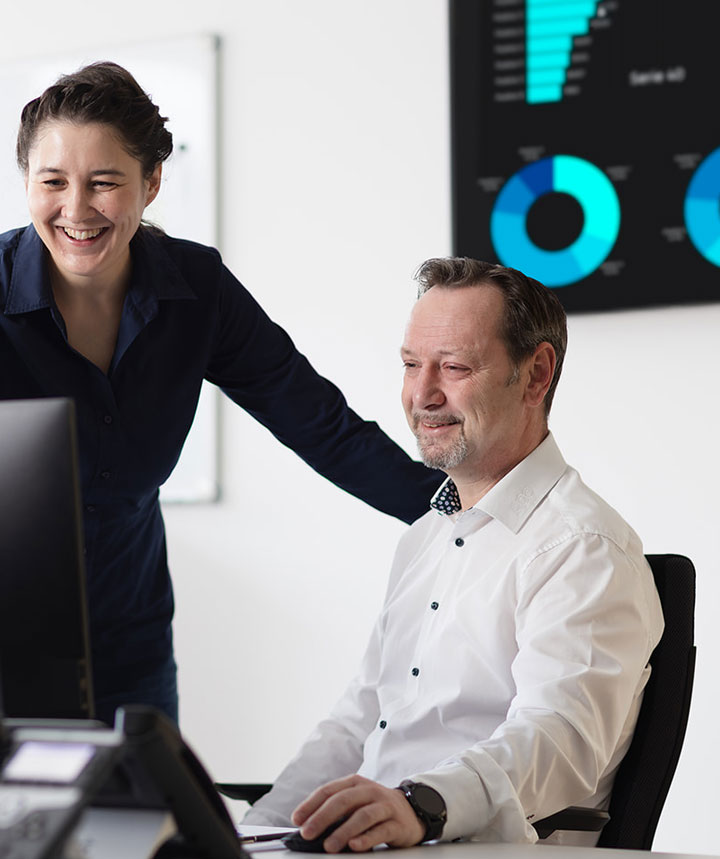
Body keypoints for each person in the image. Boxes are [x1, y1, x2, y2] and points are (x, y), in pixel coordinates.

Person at [0, 62, 444, 770]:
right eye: (53, 181)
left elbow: (318, 422)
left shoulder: (196, 289)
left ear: (151, 182)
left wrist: (459, 517)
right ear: (26, 181)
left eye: (104, 181)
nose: (76, 209)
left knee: (138, 834)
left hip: (123, 633)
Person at [241, 257, 665, 848]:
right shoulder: (426, 536)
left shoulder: (582, 548)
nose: (422, 395)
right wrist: (251, 830)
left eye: (456, 367)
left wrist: (422, 806)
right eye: (412, 365)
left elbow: (560, 737)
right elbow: (361, 718)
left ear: (536, 374)